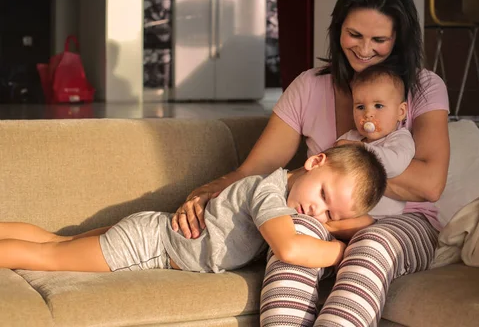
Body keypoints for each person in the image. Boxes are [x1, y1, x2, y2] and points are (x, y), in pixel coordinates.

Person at [173, 0, 450, 327]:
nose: (365, 50)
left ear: (398, 40)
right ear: (338, 29)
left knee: (372, 247)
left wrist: (349, 155)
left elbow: (429, 185)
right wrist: (206, 192)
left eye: (379, 39)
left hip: (402, 221)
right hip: (320, 218)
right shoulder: (308, 86)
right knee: (293, 244)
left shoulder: (425, 87)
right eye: (354, 35)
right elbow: (256, 169)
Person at [0, 145, 387, 274]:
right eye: (321, 195)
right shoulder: (270, 197)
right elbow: (290, 249)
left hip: (151, 229)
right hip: (148, 248)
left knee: (55, 241)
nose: (315, 212)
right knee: (46, 257)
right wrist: (346, 252)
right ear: (315, 161)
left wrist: (342, 224)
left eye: (328, 214)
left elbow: (364, 219)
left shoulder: (278, 191)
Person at [334, 63, 416, 222]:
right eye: (360, 107)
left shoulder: (399, 139)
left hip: (383, 218)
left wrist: (359, 149)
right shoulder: (351, 137)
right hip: (347, 211)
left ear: (400, 112)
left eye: (378, 106)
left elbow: (395, 165)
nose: (368, 114)